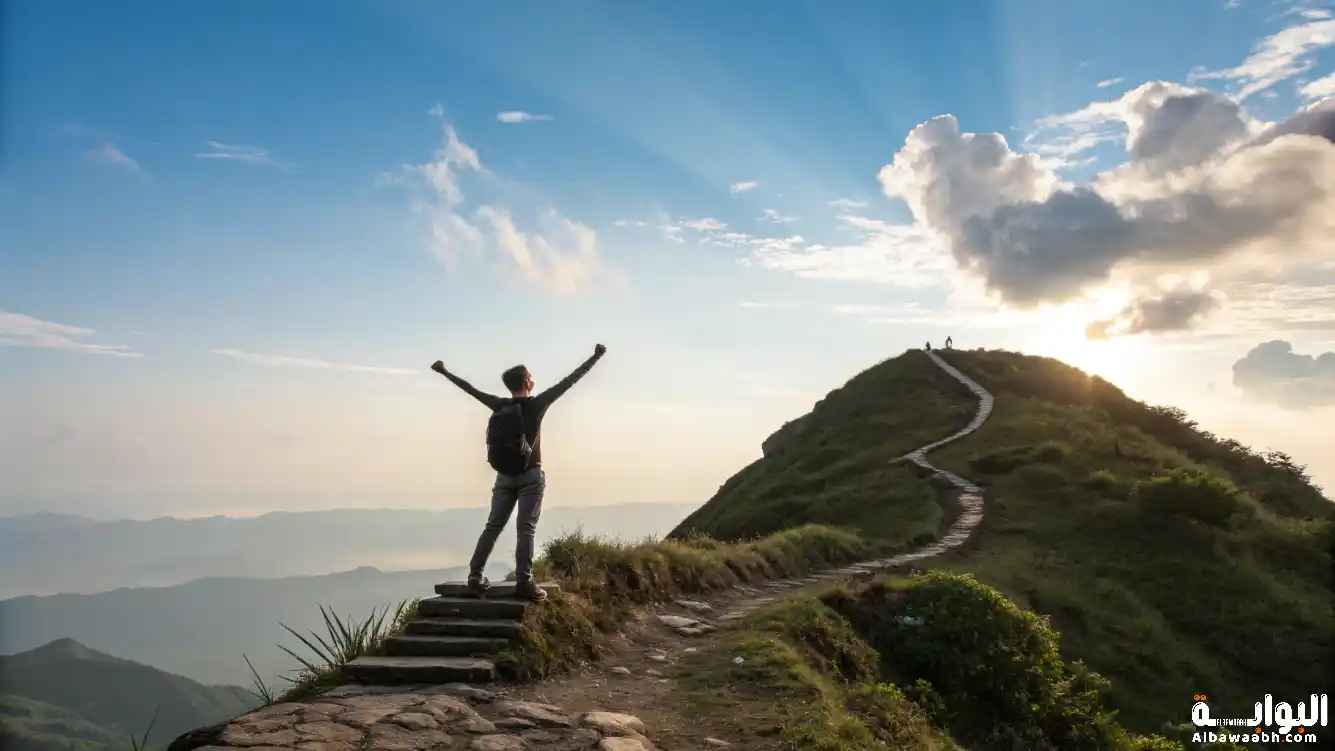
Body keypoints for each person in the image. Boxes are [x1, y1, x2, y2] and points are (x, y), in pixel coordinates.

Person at [430, 344, 607, 602]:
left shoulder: (499, 405)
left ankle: (475, 576)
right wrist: (596, 356)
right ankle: (524, 582)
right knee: (526, 528)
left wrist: (444, 372)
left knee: (493, 526)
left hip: (503, 476)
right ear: (527, 382)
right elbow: (571, 380)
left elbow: (469, 389)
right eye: (531, 376)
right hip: (531, 477)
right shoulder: (537, 404)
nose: (533, 379)